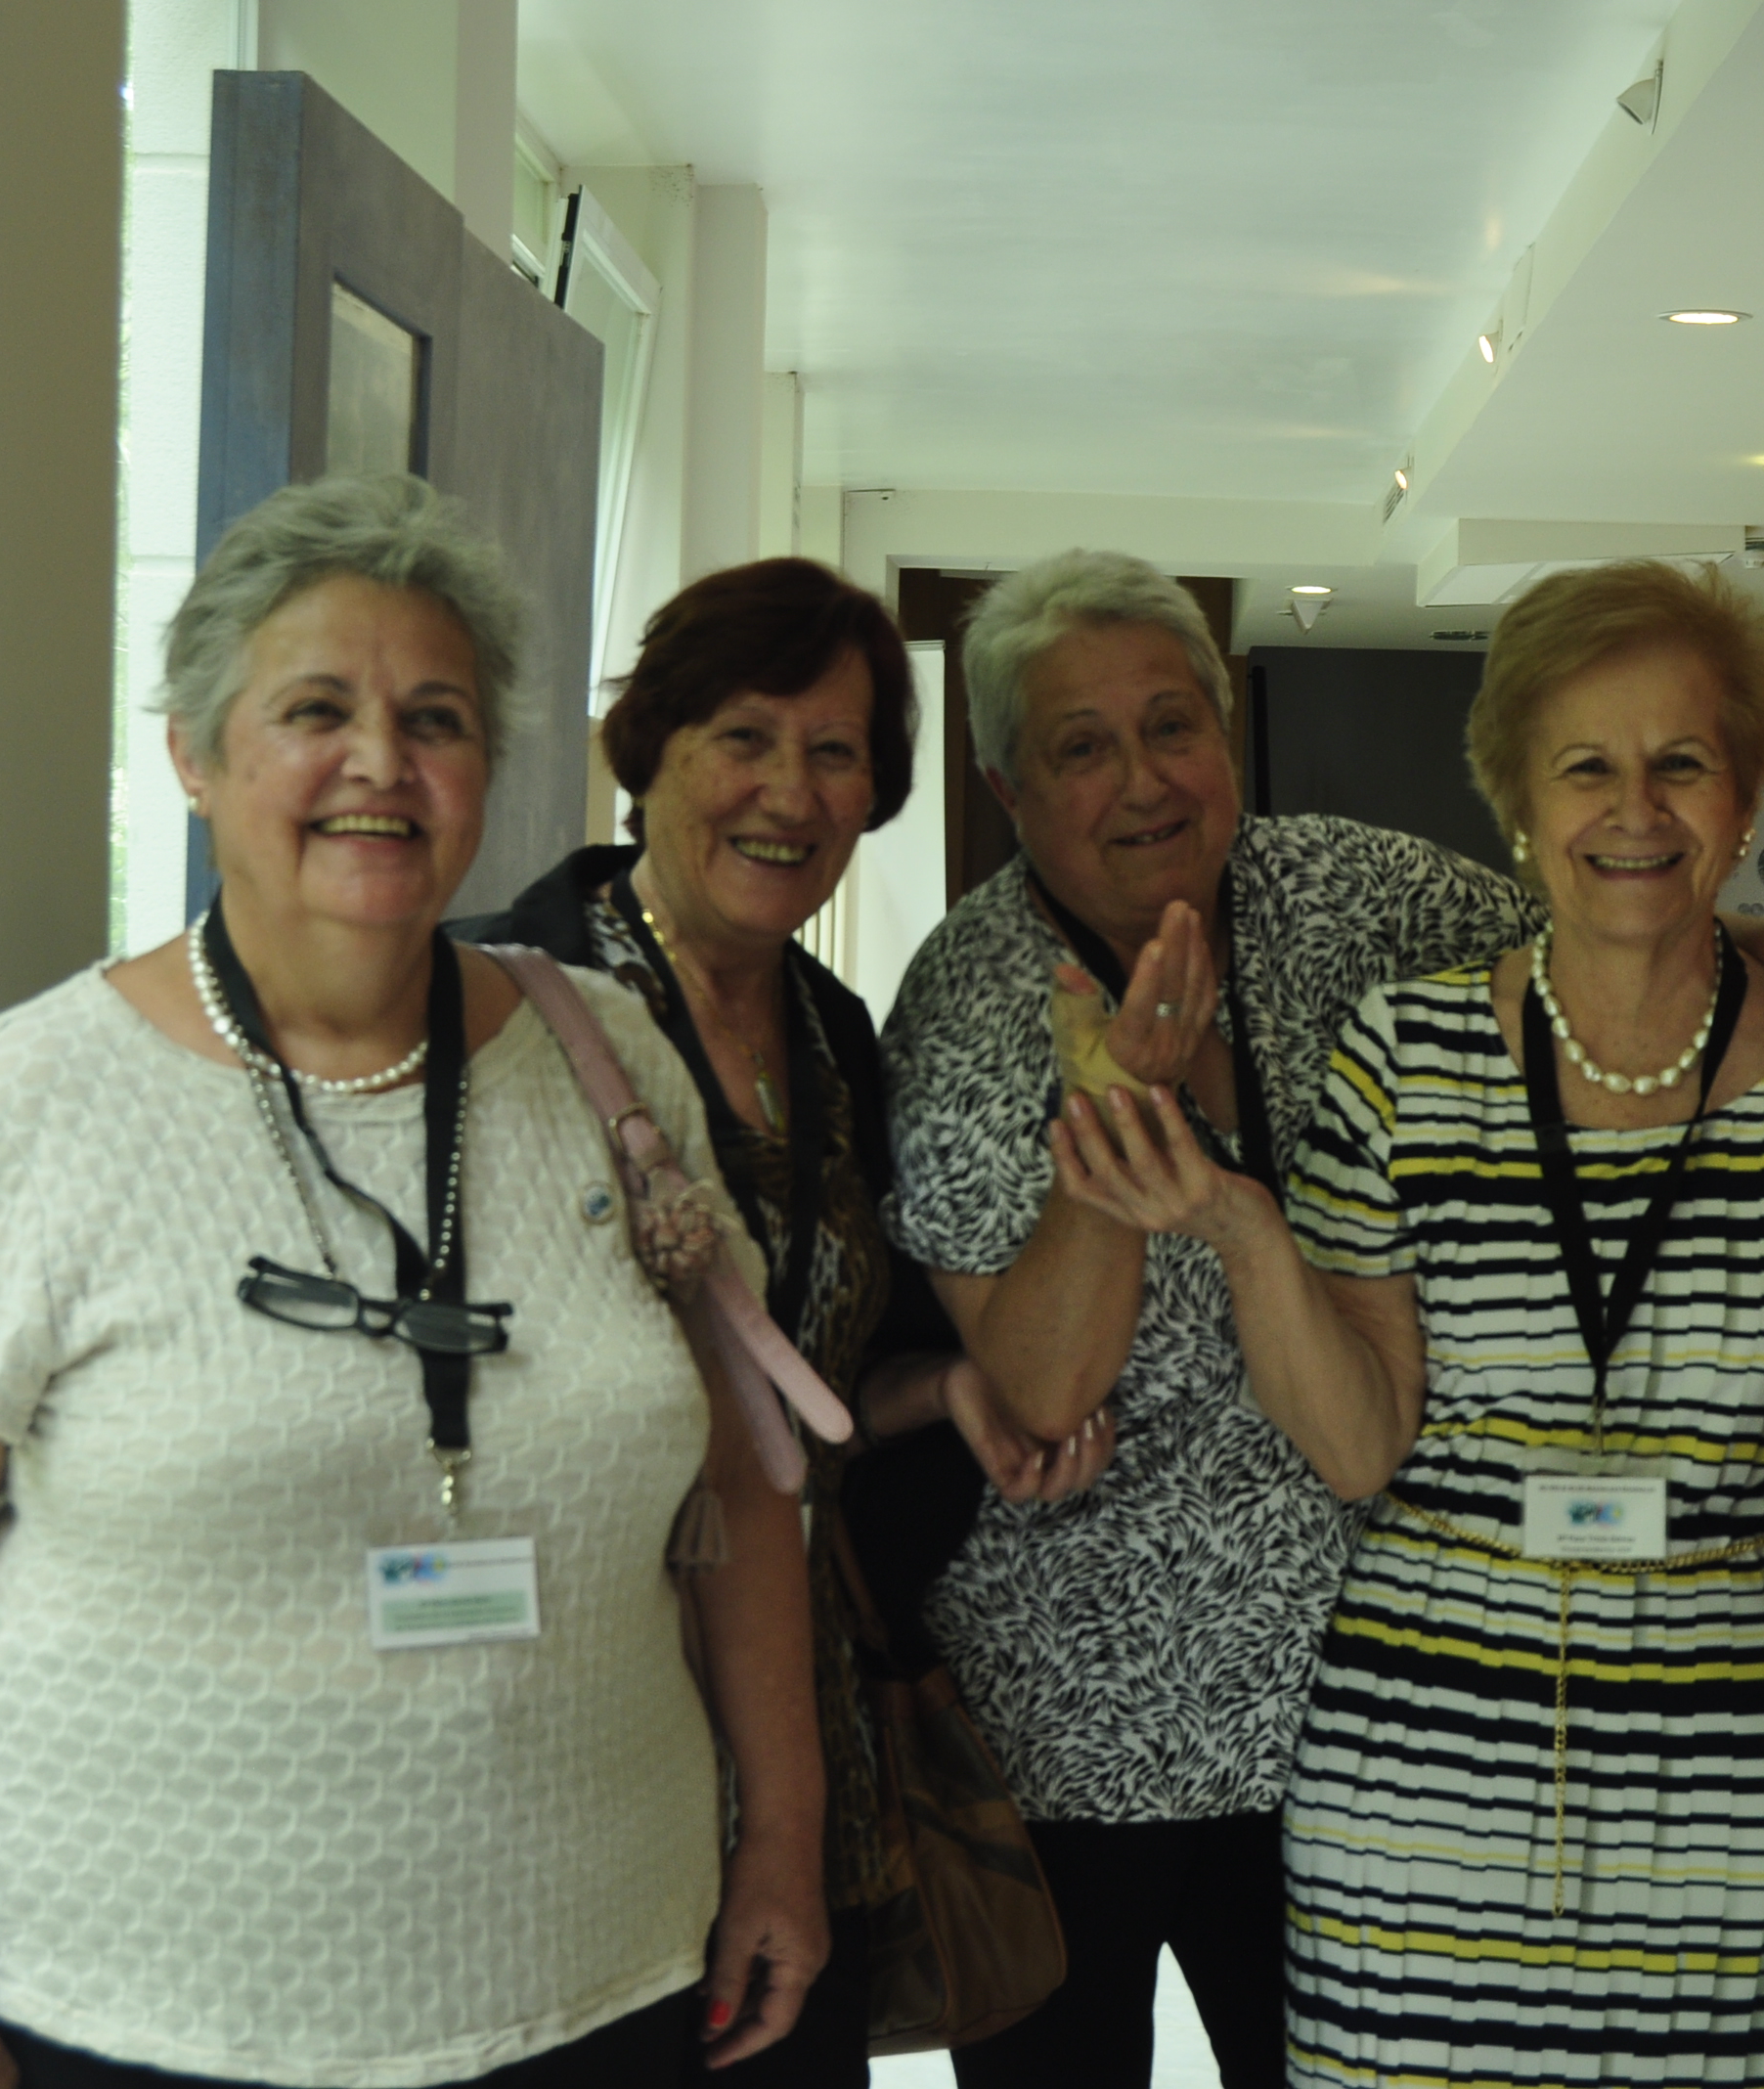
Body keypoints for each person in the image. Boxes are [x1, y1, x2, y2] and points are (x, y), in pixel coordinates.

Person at [0, 474, 823, 2089]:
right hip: (156, 2013)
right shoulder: (35, 1099)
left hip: (603, 1979)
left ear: (486, 773)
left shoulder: (606, 1054)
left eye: (436, 717)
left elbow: (745, 1498)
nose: (381, 764)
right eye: (316, 711)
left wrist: (785, 1838)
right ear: (194, 757)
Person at [880, 548, 1764, 2088]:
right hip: (1097, 1727)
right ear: (1009, 784)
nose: (1142, 781)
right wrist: (1138, 1145)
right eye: (1079, 746)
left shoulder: (1360, 898)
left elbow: (1624, 895)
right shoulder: (976, 1006)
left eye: (1172, 726)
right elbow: (1043, 1390)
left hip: (1374, 1709)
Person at [455, 555, 1107, 2089]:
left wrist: (942, 1393)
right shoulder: (499, 1008)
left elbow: (809, 1380)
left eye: (837, 753)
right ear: (651, 747)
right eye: (744, 738)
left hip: (798, 1725)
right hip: (578, 1698)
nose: (790, 793)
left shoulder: (834, 1034)